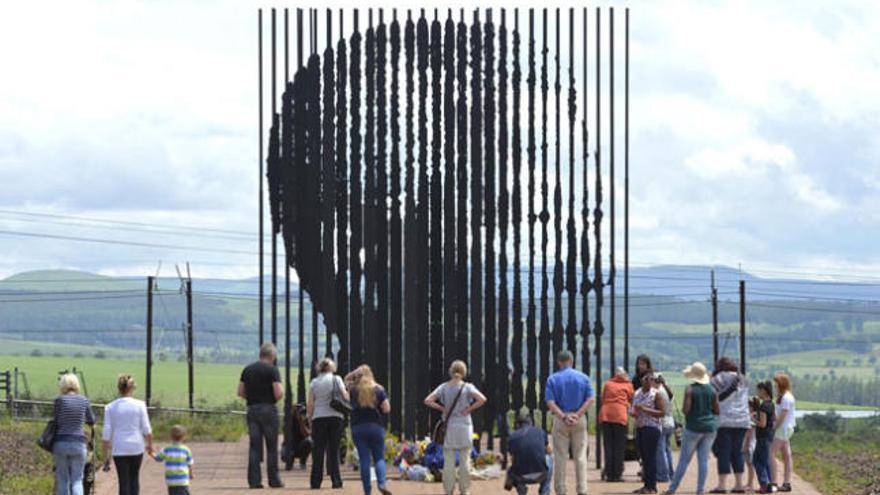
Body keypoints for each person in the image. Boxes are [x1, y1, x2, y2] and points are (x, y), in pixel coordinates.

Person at [424, 360, 487, 495]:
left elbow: (428, 400)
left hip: (449, 425)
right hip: (465, 425)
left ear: (451, 371)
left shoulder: (443, 387)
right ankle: (464, 490)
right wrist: (469, 409)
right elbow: (482, 399)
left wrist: (442, 408)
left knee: (449, 460)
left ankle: (448, 490)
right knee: (465, 458)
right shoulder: (468, 387)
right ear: (464, 372)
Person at [663, 362, 719, 495]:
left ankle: (672, 489)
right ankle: (700, 490)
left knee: (684, 460)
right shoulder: (712, 390)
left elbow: (686, 410)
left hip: (693, 427)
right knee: (703, 460)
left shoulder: (690, 389)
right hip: (710, 428)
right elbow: (717, 410)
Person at [545, 350, 595, 495]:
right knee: (580, 456)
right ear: (572, 361)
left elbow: (550, 402)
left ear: (558, 362)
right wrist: (577, 415)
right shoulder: (583, 377)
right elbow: (590, 399)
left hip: (561, 419)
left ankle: (561, 490)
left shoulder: (552, 379)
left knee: (560, 456)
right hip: (579, 418)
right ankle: (582, 489)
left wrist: (563, 416)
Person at [238, 342, 284, 489]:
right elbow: (278, 393)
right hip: (269, 409)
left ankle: (254, 480)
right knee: (271, 446)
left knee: (254, 446)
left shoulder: (247, 370)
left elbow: (240, 392)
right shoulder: (273, 371)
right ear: (272, 356)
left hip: (252, 409)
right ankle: (274, 480)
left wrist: (253, 399)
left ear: (260, 354)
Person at [102, 374, 153, 495]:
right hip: (136, 446)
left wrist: (105, 455)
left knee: (123, 481)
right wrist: (150, 446)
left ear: (119, 388)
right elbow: (146, 429)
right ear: (133, 388)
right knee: (134, 479)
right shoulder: (140, 405)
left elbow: (106, 434)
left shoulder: (110, 407)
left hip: (119, 447)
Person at [344, 365, 392, 495]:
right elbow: (387, 408)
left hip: (358, 427)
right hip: (376, 427)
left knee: (364, 459)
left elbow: (345, 381)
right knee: (379, 458)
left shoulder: (353, 390)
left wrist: (354, 373)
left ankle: (367, 490)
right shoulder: (379, 389)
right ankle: (381, 484)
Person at [709, 357, 751, 494]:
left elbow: (711, 395)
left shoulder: (719, 378)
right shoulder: (743, 378)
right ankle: (739, 484)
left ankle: (722, 485)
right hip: (743, 420)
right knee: (737, 453)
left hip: (725, 420)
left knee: (723, 452)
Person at [52, 373, 96, 495]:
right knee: (77, 479)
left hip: (60, 443)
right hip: (78, 444)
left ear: (62, 385)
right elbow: (92, 420)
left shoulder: (59, 400)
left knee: (63, 479)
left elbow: (55, 421)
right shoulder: (84, 400)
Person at [308, 357, 348, 489]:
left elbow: (310, 403)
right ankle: (336, 480)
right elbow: (345, 396)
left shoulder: (314, 382)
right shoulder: (337, 379)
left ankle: (315, 481)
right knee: (334, 450)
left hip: (319, 418)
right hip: (335, 417)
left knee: (318, 451)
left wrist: (310, 419)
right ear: (332, 367)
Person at [631, 372, 667, 494]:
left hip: (651, 428)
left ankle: (652, 486)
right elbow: (634, 409)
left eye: (651, 379)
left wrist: (645, 409)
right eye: (646, 378)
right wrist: (633, 412)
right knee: (644, 458)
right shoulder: (637, 393)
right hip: (640, 427)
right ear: (641, 379)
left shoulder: (656, 394)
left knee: (650, 457)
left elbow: (662, 413)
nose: (648, 381)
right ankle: (646, 485)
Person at [598, 366, 634, 482]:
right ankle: (617, 474)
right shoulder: (628, 385)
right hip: (620, 415)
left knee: (608, 446)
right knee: (619, 447)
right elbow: (631, 399)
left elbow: (603, 399)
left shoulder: (608, 384)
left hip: (606, 414)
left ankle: (609, 473)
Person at [504, 412, 553, 495]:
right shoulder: (540, 431)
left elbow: (513, 459)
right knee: (549, 458)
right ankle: (544, 491)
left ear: (517, 425)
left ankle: (521, 490)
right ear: (531, 423)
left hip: (522, 476)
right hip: (541, 474)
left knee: (512, 467)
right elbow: (549, 450)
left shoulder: (512, 436)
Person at [770, 373, 796, 493]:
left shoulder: (786, 397)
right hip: (786, 428)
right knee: (786, 455)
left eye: (776, 383)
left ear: (781, 384)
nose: (775, 386)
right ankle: (786, 483)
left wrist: (774, 427)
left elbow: (782, 417)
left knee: (771, 454)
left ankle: (774, 483)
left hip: (783, 428)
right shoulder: (785, 396)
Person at [152, 425, 194, 495]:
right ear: (184, 437)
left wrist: (151, 453)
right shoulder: (186, 450)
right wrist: (191, 474)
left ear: (171, 436)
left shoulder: (166, 449)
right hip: (182, 479)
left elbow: (158, 458)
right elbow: (190, 463)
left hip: (171, 480)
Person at [751, 381, 776, 494]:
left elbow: (762, 424)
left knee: (757, 460)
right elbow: (773, 420)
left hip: (762, 437)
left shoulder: (763, 406)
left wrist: (752, 419)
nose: (757, 393)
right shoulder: (771, 404)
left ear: (763, 391)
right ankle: (770, 484)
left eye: (759, 390)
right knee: (765, 461)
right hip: (769, 436)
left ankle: (763, 485)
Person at [654, 373, 675, 483]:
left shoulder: (658, 392)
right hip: (670, 422)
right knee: (667, 449)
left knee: (660, 449)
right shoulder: (667, 390)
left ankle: (663, 474)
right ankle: (671, 473)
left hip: (662, 423)